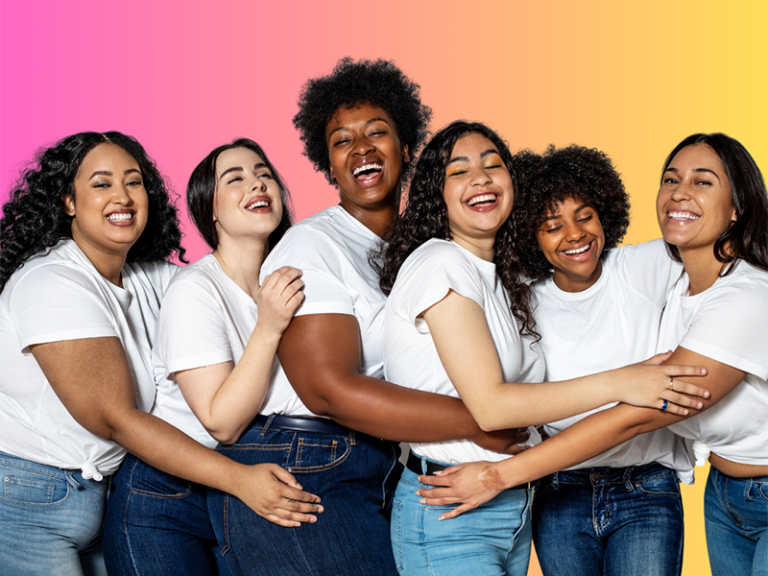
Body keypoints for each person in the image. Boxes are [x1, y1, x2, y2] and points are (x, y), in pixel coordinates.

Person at [208, 58, 525, 576]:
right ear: (327, 165)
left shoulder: (422, 247)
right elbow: (328, 389)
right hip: (305, 462)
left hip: (376, 463)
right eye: (341, 141)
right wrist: (484, 421)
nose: (361, 149)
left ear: (406, 148)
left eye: (377, 133)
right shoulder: (313, 245)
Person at [417, 133, 768, 576]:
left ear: (738, 206)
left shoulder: (729, 290)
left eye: (702, 182)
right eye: (671, 180)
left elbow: (640, 415)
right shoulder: (683, 285)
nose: (680, 193)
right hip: (718, 494)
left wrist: (498, 476)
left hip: (660, 483)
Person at [0, 132, 309, 576]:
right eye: (102, 184)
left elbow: (219, 277)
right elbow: (116, 418)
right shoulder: (51, 282)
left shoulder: (149, 279)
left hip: (100, 495)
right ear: (68, 201)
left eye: (134, 182)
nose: (122, 196)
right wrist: (238, 479)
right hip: (28, 498)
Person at [103, 138, 321, 576]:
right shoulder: (195, 291)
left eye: (264, 175)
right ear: (212, 210)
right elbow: (221, 421)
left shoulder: (288, 280)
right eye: (235, 178)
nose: (257, 185)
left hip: (236, 488)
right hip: (164, 500)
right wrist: (269, 326)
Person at [513, 145, 691, 576]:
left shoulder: (638, 267)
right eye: (552, 226)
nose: (574, 234)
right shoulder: (522, 299)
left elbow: (719, 245)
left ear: (604, 212)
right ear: (529, 236)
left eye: (585, 215)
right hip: (558, 491)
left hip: (644, 487)